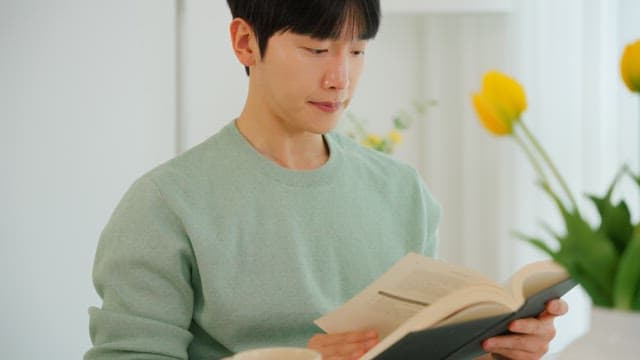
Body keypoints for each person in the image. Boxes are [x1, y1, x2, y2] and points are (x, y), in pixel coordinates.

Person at [85, 1, 568, 359]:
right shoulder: (166, 204)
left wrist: (497, 351)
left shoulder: (402, 192)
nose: (341, 78)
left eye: (357, 51)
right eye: (316, 49)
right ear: (245, 42)